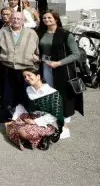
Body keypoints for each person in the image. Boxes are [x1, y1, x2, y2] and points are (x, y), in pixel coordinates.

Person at [36, 11, 83, 139]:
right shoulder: (41, 33)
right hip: (45, 67)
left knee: (63, 97)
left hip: (61, 70)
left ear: (56, 19)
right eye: (44, 18)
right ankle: (52, 119)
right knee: (49, 95)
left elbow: (75, 54)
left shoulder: (66, 35)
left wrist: (59, 63)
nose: (46, 20)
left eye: (49, 17)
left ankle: (65, 127)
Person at [0, 11, 39, 122]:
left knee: (24, 93)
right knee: (7, 93)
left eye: (19, 19)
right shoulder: (3, 31)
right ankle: (8, 117)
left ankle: (24, 117)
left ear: (23, 21)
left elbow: (37, 51)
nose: (16, 20)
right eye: (13, 18)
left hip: (25, 68)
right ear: (10, 19)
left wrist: (36, 61)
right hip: (7, 67)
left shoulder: (31, 33)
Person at [6, 68, 64, 151]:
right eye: (25, 77)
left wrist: (35, 122)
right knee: (10, 125)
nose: (27, 78)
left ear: (38, 76)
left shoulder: (52, 93)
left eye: (29, 75)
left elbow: (55, 114)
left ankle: (46, 136)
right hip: (31, 117)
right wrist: (14, 119)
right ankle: (29, 137)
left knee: (22, 132)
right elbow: (22, 106)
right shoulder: (28, 90)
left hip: (47, 122)